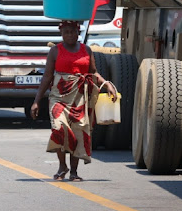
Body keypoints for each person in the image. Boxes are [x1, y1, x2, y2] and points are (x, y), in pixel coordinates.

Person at [30, 20, 117, 181]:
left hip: (80, 98)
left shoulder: (86, 50)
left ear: (78, 33)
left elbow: (94, 73)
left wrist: (107, 85)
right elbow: (47, 76)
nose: (69, 35)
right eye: (66, 32)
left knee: (78, 132)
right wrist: (37, 100)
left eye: (72, 32)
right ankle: (62, 165)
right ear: (61, 34)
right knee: (59, 128)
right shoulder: (55, 51)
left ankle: (74, 172)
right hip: (59, 97)